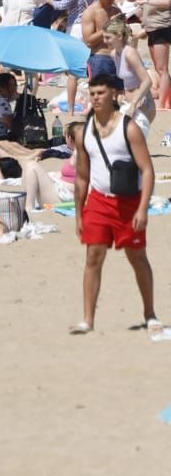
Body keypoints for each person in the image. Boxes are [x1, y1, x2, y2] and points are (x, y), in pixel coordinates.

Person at [71, 73, 159, 334]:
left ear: (113, 94)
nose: (95, 97)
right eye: (92, 92)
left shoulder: (128, 128)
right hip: (98, 202)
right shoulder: (84, 131)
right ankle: (88, 320)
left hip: (128, 202)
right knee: (93, 258)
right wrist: (79, 214)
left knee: (137, 258)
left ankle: (150, 313)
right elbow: (82, 177)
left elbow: (147, 170)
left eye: (100, 92)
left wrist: (143, 208)